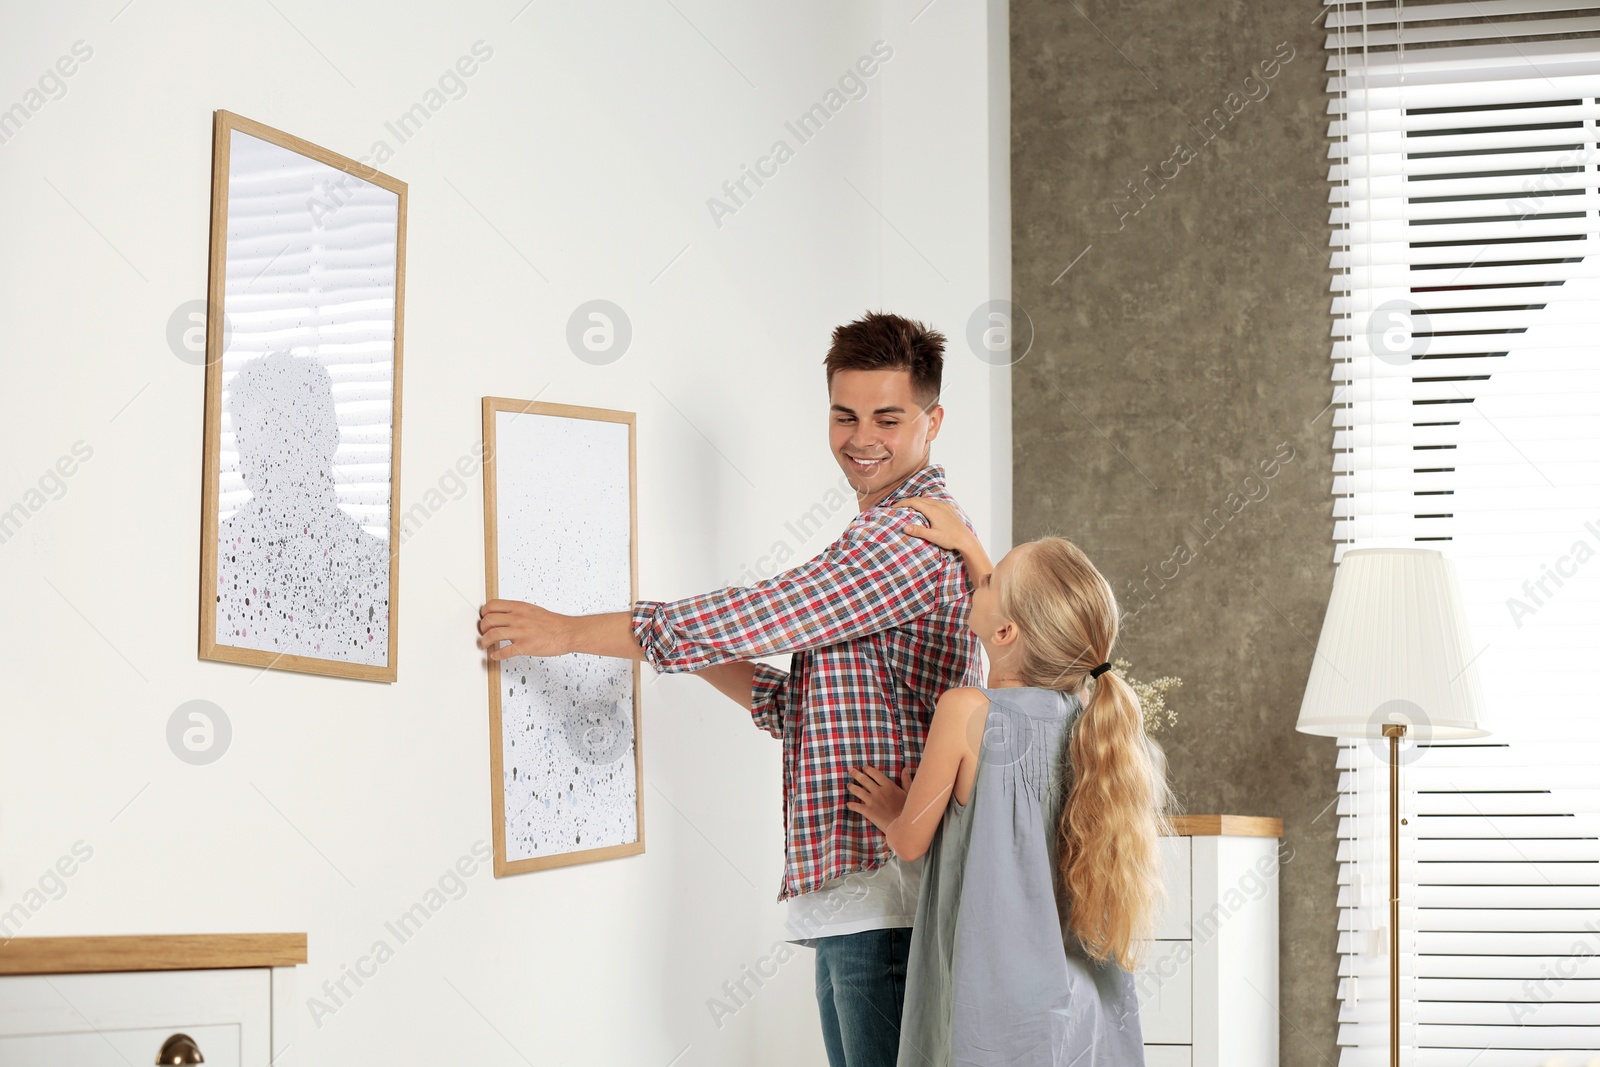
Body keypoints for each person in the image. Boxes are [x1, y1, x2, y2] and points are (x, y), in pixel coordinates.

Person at [475, 311, 985, 1067]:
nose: (861, 437)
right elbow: (799, 708)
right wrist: (675, 647)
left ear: (932, 419)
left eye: (887, 416)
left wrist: (574, 630)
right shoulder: (890, 534)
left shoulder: (904, 540)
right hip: (859, 901)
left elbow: (769, 612)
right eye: (843, 415)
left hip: (887, 901)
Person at [846, 495, 1170, 1067]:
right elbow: (1024, 619)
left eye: (989, 579)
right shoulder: (1090, 724)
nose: (980, 578)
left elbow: (908, 842)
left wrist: (894, 809)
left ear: (1005, 633)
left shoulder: (967, 711)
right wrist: (970, 550)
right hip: (1081, 1001)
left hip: (998, 1011)